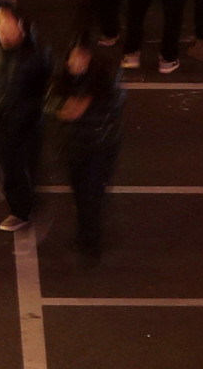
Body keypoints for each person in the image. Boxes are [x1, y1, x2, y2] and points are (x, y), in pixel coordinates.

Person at [43, 36, 121, 266]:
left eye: (81, 57)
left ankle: (91, 245)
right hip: (74, 149)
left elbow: (114, 103)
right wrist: (66, 107)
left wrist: (85, 103)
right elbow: (51, 102)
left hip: (99, 149)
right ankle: (84, 237)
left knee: (92, 198)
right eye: (72, 58)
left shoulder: (104, 80)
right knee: (80, 196)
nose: (75, 63)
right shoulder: (64, 80)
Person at [0, 3, 51, 236]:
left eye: (6, 26)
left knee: (21, 166)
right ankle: (23, 204)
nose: (1, 31)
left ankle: (22, 211)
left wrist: (24, 114)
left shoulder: (37, 54)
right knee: (9, 164)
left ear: (21, 26)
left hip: (25, 124)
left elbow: (45, 91)